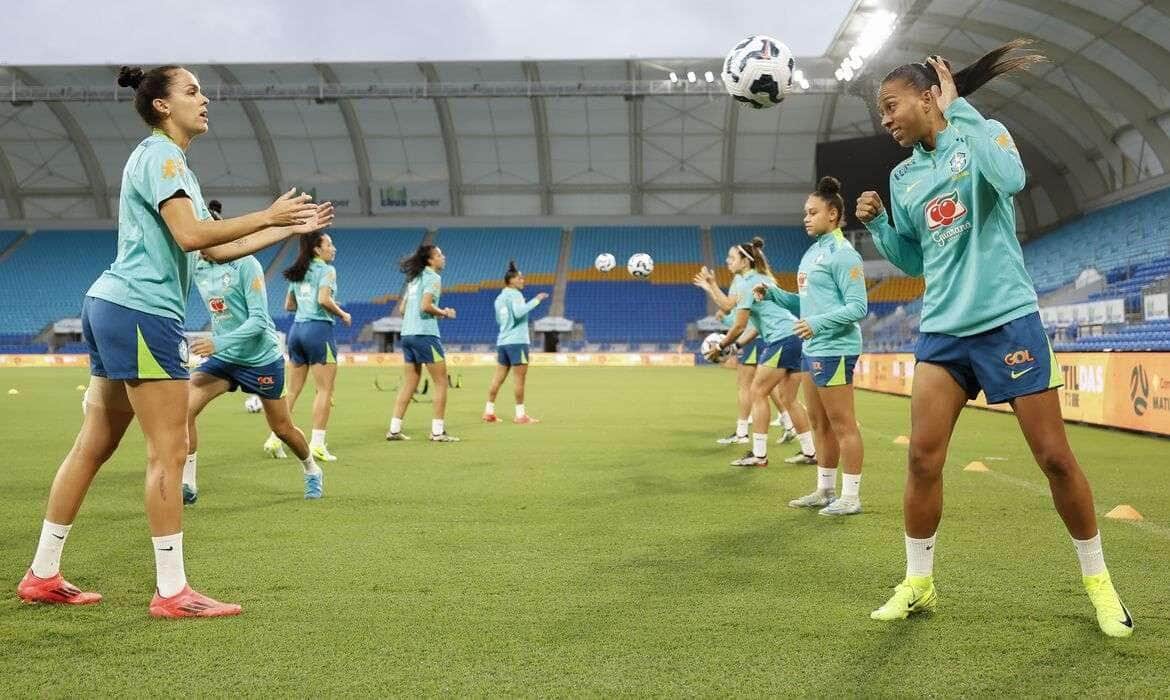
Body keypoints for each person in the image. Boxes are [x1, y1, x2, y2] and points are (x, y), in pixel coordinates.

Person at [16, 64, 328, 618]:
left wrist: (284, 229)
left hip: (110, 305)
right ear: (162, 105)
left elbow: (208, 250)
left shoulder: (164, 159)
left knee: (95, 445)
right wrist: (269, 212)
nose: (204, 99)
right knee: (170, 448)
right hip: (141, 313)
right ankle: (172, 592)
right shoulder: (162, 156)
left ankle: (42, 574)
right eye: (191, 91)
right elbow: (192, 234)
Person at [858, 44, 1132, 636]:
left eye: (890, 105)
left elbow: (1012, 178)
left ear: (928, 96)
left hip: (1007, 319)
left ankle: (1099, 584)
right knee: (921, 458)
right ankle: (919, 582)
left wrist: (964, 116)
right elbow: (915, 259)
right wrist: (881, 223)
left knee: (1055, 459)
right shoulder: (903, 175)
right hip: (943, 331)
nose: (885, 119)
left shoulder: (981, 132)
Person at [759, 177, 868, 514]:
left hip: (836, 348)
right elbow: (806, 306)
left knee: (842, 424)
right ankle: (824, 489)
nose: (805, 218)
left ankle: (851, 497)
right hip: (813, 349)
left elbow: (858, 307)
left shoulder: (844, 254)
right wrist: (776, 295)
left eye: (812, 212)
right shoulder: (812, 252)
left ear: (832, 214)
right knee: (819, 423)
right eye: (805, 213)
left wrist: (816, 324)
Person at [185, 250, 325, 503]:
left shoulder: (246, 265)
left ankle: (312, 469)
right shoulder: (196, 265)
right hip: (225, 357)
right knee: (182, 412)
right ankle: (188, 485)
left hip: (260, 359)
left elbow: (259, 320)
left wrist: (219, 342)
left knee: (282, 428)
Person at [696, 238, 816, 462]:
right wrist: (735, 346)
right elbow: (753, 328)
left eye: (732, 258)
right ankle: (810, 451)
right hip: (797, 336)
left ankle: (759, 455)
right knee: (789, 399)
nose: (728, 261)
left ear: (745, 261)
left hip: (782, 339)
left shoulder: (744, 283)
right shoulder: (764, 278)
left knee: (758, 392)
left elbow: (739, 324)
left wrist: (721, 346)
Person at [272, 232, 350, 462]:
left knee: (292, 390)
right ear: (317, 249)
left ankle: (275, 438)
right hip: (318, 331)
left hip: (297, 331)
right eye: (329, 244)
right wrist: (343, 314)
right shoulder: (327, 270)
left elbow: (288, 305)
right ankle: (317, 444)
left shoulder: (298, 271)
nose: (333, 248)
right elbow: (324, 300)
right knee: (324, 390)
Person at [386, 245, 459, 442]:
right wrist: (444, 312)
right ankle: (437, 432)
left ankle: (394, 429)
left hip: (408, 334)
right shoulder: (433, 278)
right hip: (425, 335)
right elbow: (425, 306)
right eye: (439, 255)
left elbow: (402, 309)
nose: (443, 257)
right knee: (441, 382)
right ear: (430, 260)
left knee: (410, 383)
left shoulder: (414, 280)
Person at [483, 261, 548, 424]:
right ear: (511, 280)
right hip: (518, 342)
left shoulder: (499, 298)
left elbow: (499, 320)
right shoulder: (516, 295)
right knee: (519, 379)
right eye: (520, 278)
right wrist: (536, 300)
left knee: (497, 379)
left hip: (503, 342)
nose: (523, 280)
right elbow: (519, 313)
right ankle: (520, 415)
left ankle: (488, 411)